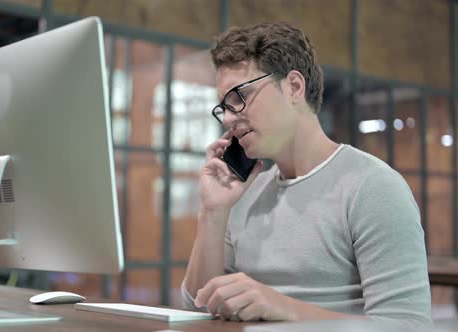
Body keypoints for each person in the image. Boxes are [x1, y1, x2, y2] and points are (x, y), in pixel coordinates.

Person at [181, 22, 432, 327]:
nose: (230, 119)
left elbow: (410, 326)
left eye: (241, 96)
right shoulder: (245, 193)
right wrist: (212, 211)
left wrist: (283, 309)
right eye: (225, 107)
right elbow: (198, 308)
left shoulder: (373, 187)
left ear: (294, 87)